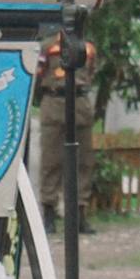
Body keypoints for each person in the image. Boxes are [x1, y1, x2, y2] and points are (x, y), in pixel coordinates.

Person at [36, 28, 99, 234]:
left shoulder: (87, 47)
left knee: (83, 161)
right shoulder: (47, 47)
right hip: (54, 101)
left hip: (79, 103)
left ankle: (79, 214)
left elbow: (90, 73)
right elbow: (37, 74)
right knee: (51, 160)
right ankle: (49, 213)